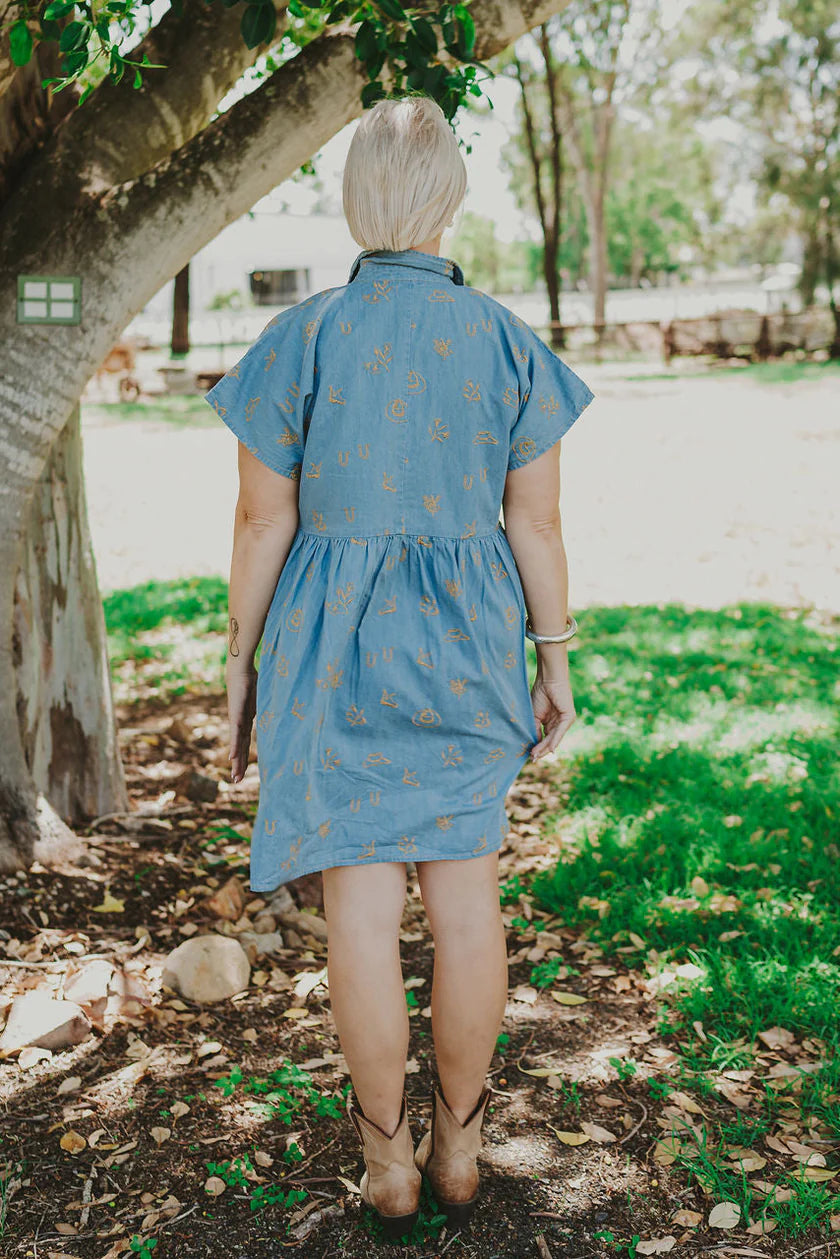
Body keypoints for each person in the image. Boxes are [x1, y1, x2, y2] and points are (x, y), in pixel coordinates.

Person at [205, 93, 594, 1239]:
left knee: (362, 917)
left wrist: (240, 663)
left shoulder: (303, 337)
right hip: (470, 645)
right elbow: (537, 525)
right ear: (450, 200)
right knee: (468, 907)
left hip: (330, 653)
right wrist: (556, 658)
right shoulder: (506, 341)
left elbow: (259, 523)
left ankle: (388, 1166)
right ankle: (460, 1149)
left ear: (352, 201)